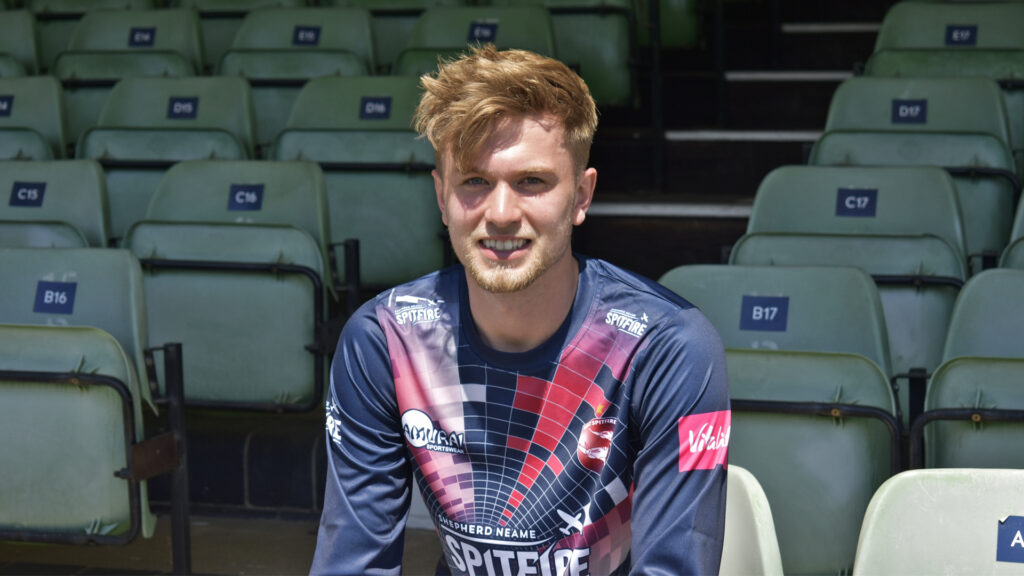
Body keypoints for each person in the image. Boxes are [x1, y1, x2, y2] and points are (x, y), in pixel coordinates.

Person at [310, 44, 730, 576]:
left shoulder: (669, 347)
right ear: (441, 197)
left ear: (582, 195)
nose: (502, 213)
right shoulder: (384, 338)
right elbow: (352, 563)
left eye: (531, 181)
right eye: (474, 181)